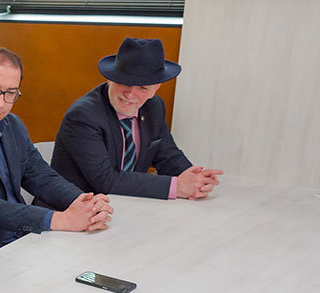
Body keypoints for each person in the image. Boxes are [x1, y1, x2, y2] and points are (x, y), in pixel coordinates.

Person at [0, 46, 113, 246]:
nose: (1, 103)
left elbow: (40, 175)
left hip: (22, 238)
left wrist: (84, 203)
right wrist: (58, 219)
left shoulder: (13, 125)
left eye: (10, 93)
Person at [52, 37, 222, 200]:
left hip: (127, 206)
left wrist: (193, 178)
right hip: (75, 210)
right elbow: (105, 180)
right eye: (125, 82)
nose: (130, 94)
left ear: (155, 88)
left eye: (142, 87)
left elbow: (167, 155)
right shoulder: (83, 116)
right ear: (110, 79)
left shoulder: (154, 106)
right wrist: (177, 186)